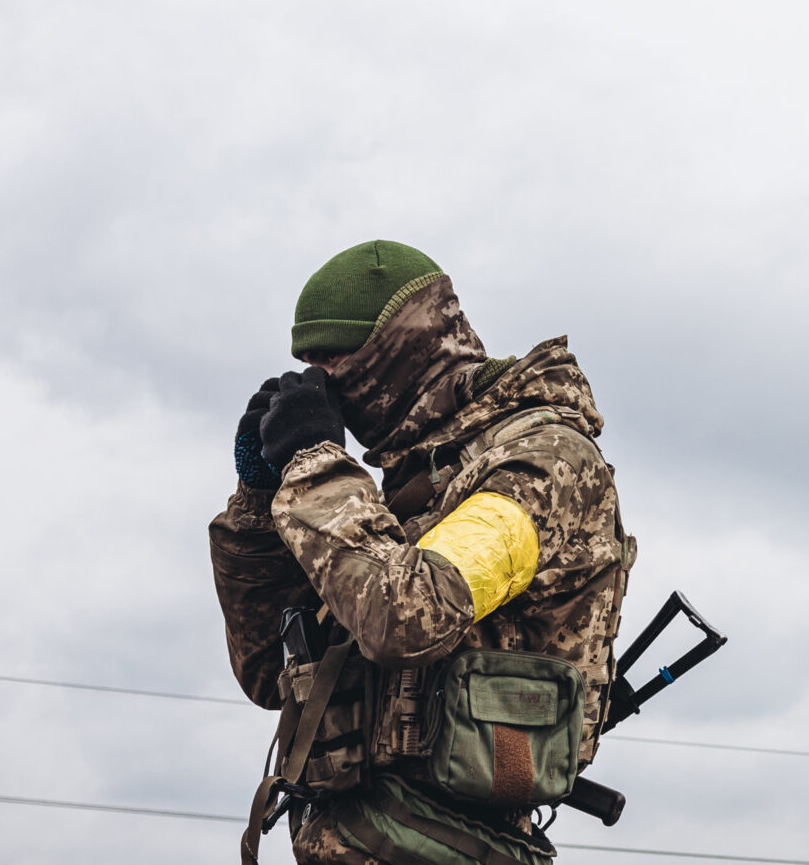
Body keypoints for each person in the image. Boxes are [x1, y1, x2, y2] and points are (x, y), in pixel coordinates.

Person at [210, 240, 633, 864]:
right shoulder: (409, 488)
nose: (319, 383)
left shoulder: (543, 462)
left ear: (399, 351)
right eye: (307, 365)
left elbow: (407, 616)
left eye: (334, 360)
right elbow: (268, 669)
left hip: (450, 844)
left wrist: (316, 464)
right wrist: (259, 498)